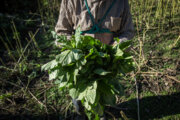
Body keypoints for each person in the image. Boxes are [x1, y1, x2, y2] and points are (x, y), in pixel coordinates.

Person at [55, 0, 134, 119]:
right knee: (78, 99)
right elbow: (61, 32)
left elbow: (128, 32)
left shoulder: (120, 2)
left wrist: (116, 46)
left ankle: (101, 114)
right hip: (79, 66)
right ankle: (81, 114)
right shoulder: (71, 1)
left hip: (106, 65)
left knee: (102, 98)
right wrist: (76, 50)